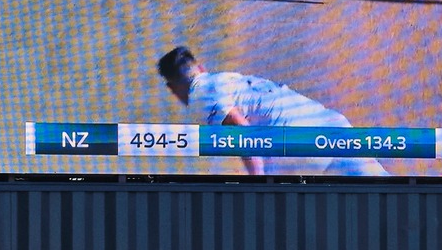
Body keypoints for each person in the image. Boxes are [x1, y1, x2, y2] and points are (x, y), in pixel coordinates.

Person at [155, 46, 385, 177]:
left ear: (172, 88)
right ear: (202, 68)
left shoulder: (199, 94)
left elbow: (242, 134)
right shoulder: (228, 78)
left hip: (302, 149)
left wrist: (258, 182)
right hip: (333, 127)